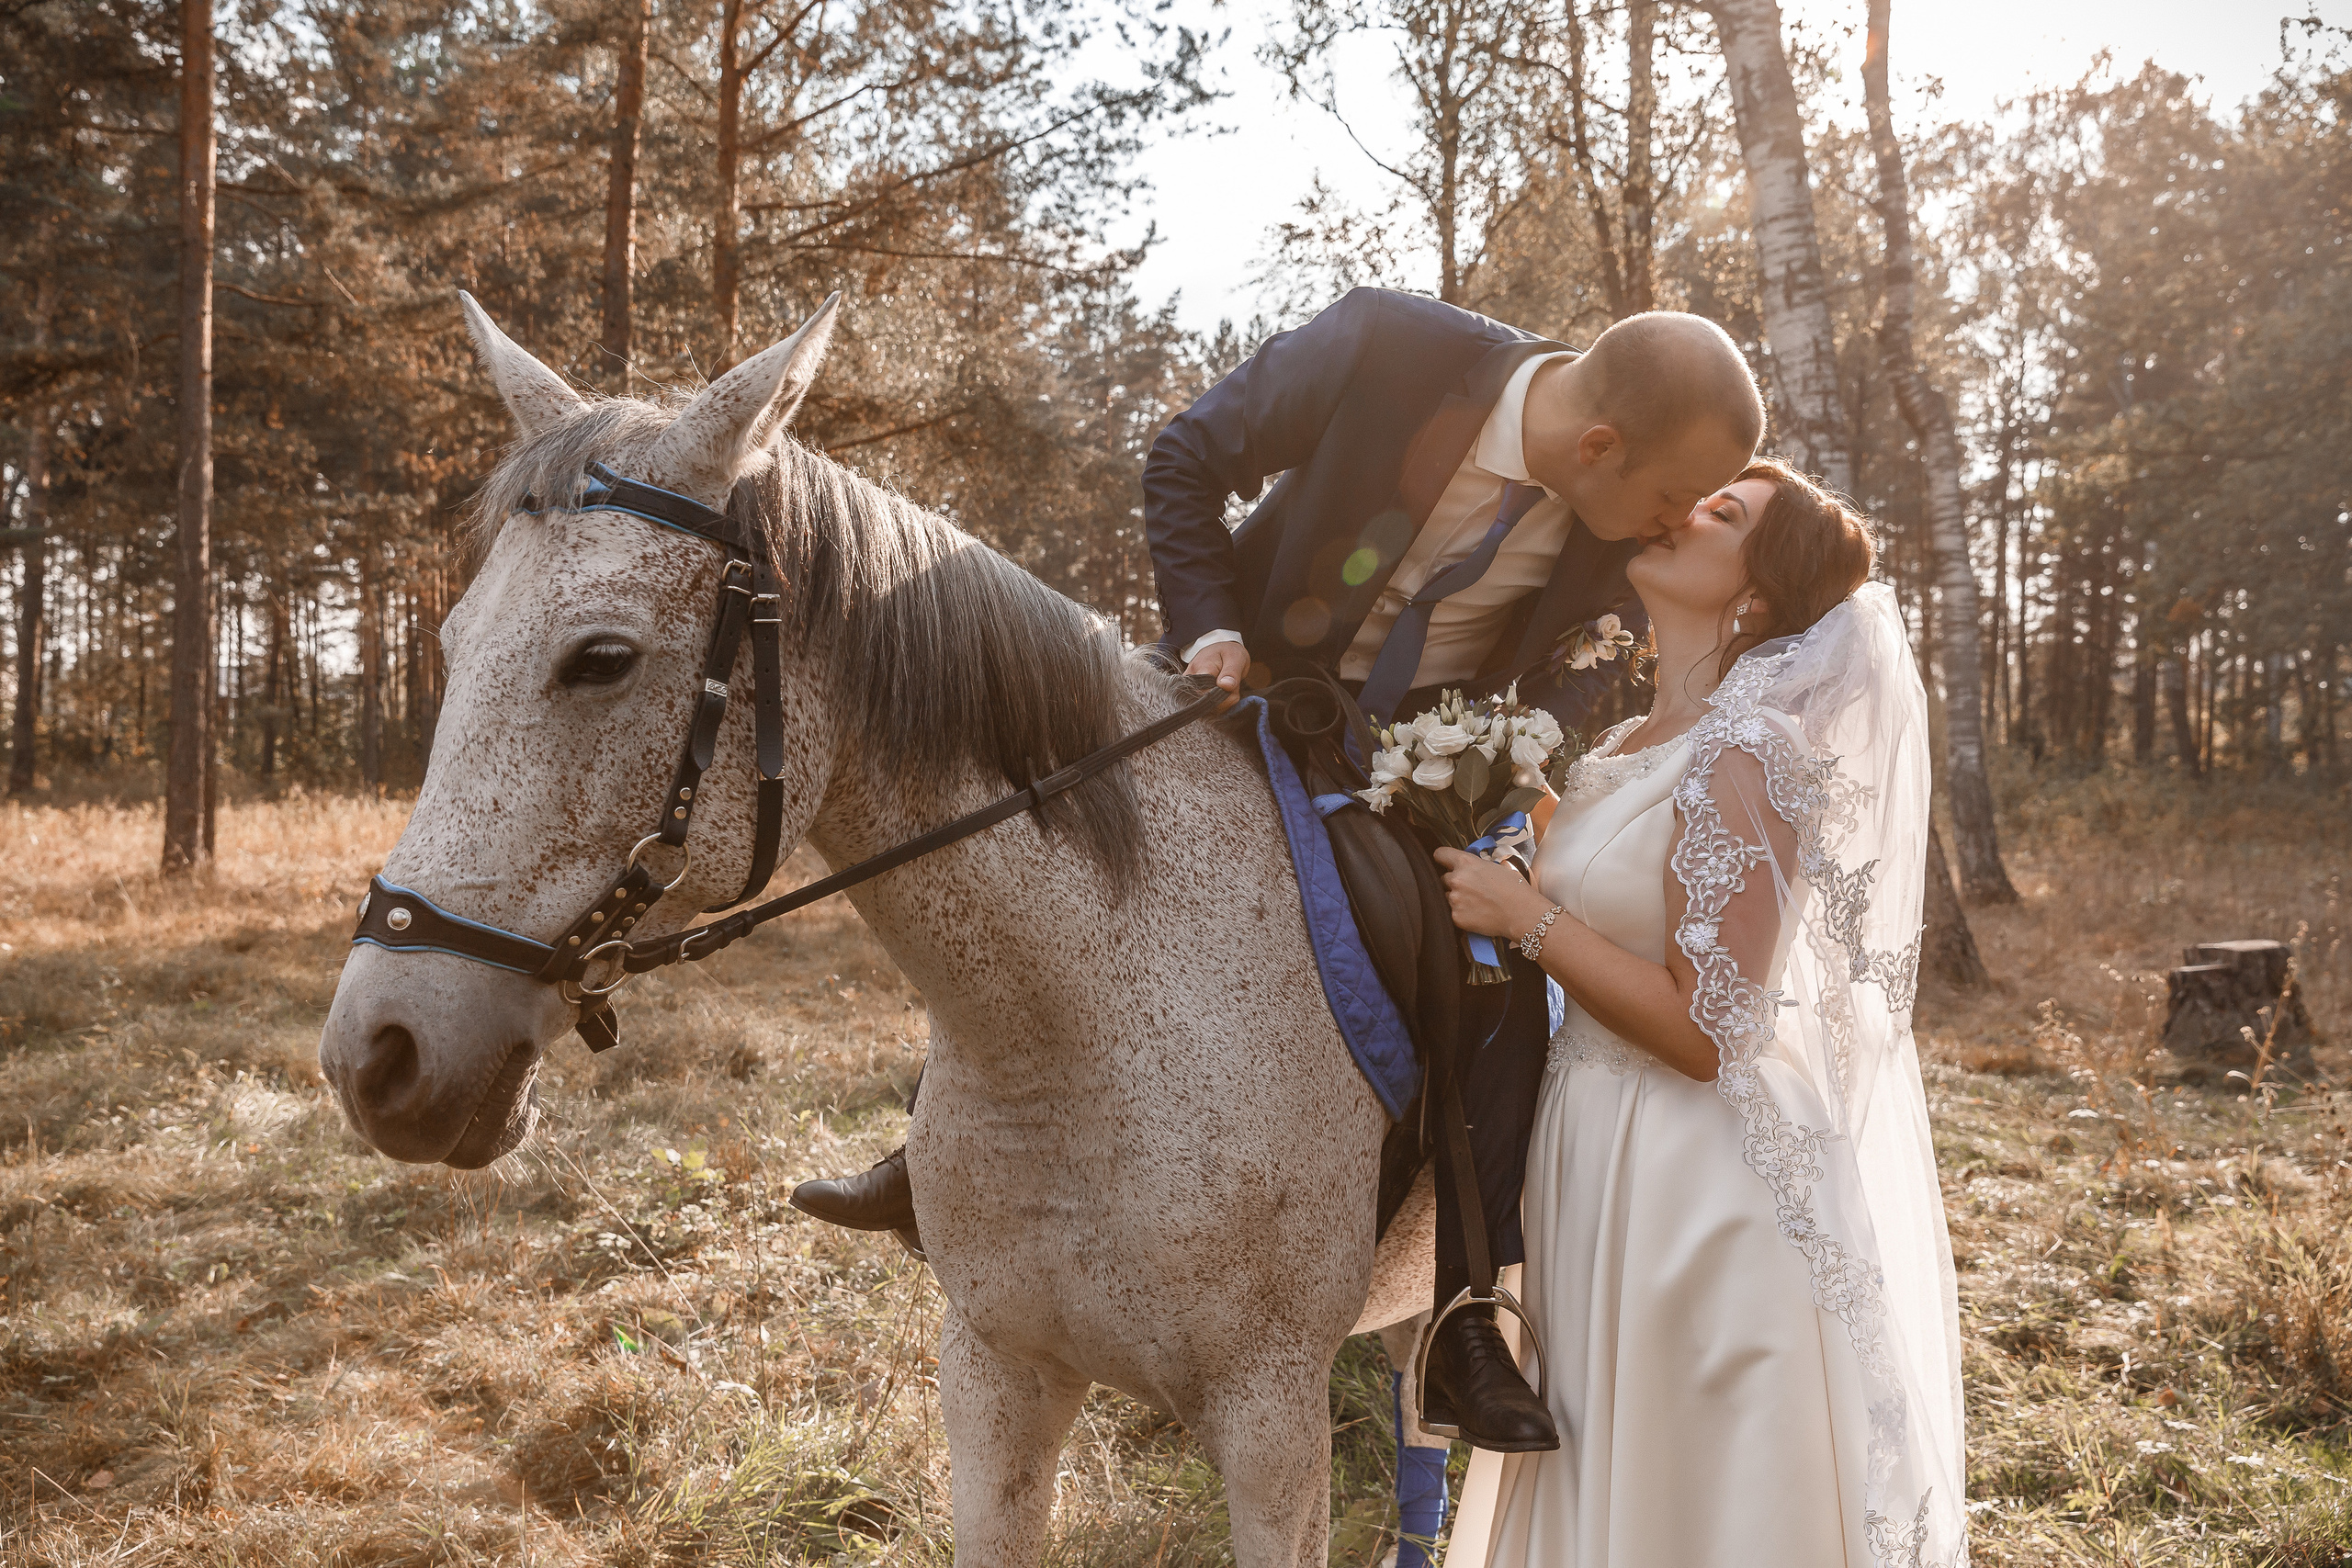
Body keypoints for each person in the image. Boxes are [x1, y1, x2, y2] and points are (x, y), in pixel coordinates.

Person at [791, 287, 1765, 1452]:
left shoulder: (1617, 532)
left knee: (1499, 972)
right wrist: (1209, 625)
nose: (1671, 524)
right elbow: (1187, 456)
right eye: (1668, 498)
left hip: (1416, 765)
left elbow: (1584, 668)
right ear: (1599, 446)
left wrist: (1503, 754)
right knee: (1032, 869)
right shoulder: (1391, 346)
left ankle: (1464, 1311)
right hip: (1219, 693)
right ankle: (927, 1153)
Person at [1432, 460, 1967, 1565]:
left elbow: (1704, 1032)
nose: (1682, 508)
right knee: (1610, 1463)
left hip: (1690, 1177)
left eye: (1722, 513)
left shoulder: (1752, 748)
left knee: (1689, 1487)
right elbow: (1617, 896)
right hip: (1594, 1146)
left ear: (1756, 595)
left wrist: (1526, 918)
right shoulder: (1632, 740)